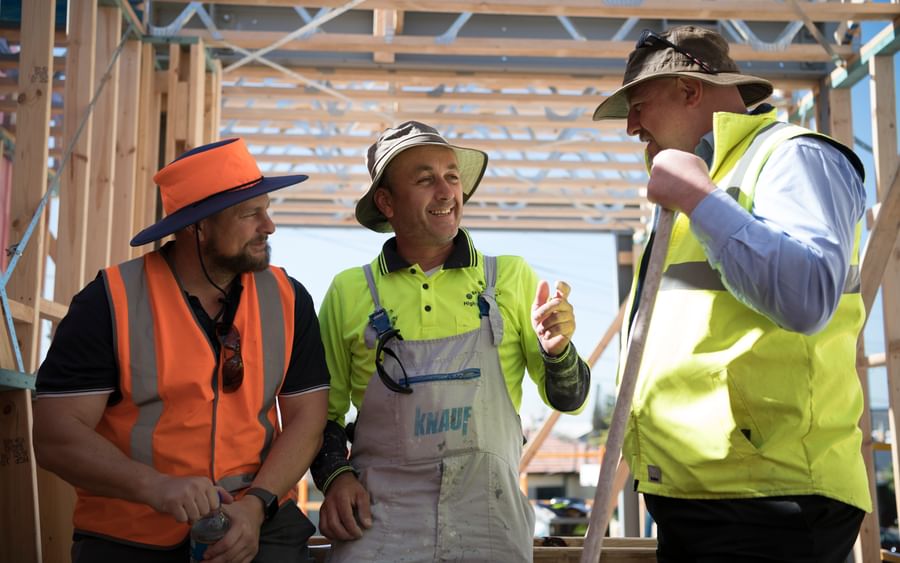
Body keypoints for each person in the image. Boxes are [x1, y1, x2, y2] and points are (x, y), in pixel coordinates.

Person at [592, 25, 870, 562]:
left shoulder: (794, 156)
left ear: (689, 90)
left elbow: (807, 295)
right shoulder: (710, 178)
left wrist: (700, 199)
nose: (631, 126)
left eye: (639, 104)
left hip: (772, 500)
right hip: (706, 495)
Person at [32, 138, 330, 563]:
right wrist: (154, 487)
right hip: (129, 533)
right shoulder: (107, 302)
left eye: (267, 209)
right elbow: (55, 436)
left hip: (258, 521)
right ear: (198, 227)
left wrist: (255, 504)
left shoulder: (289, 298)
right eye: (251, 214)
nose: (269, 226)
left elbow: (308, 418)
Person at [307, 121, 591, 562]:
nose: (446, 191)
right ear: (386, 202)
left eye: (452, 176)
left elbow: (569, 399)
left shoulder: (509, 279)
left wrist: (558, 352)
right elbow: (318, 415)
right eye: (425, 180)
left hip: (488, 525)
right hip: (379, 527)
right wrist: (336, 478)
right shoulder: (349, 291)